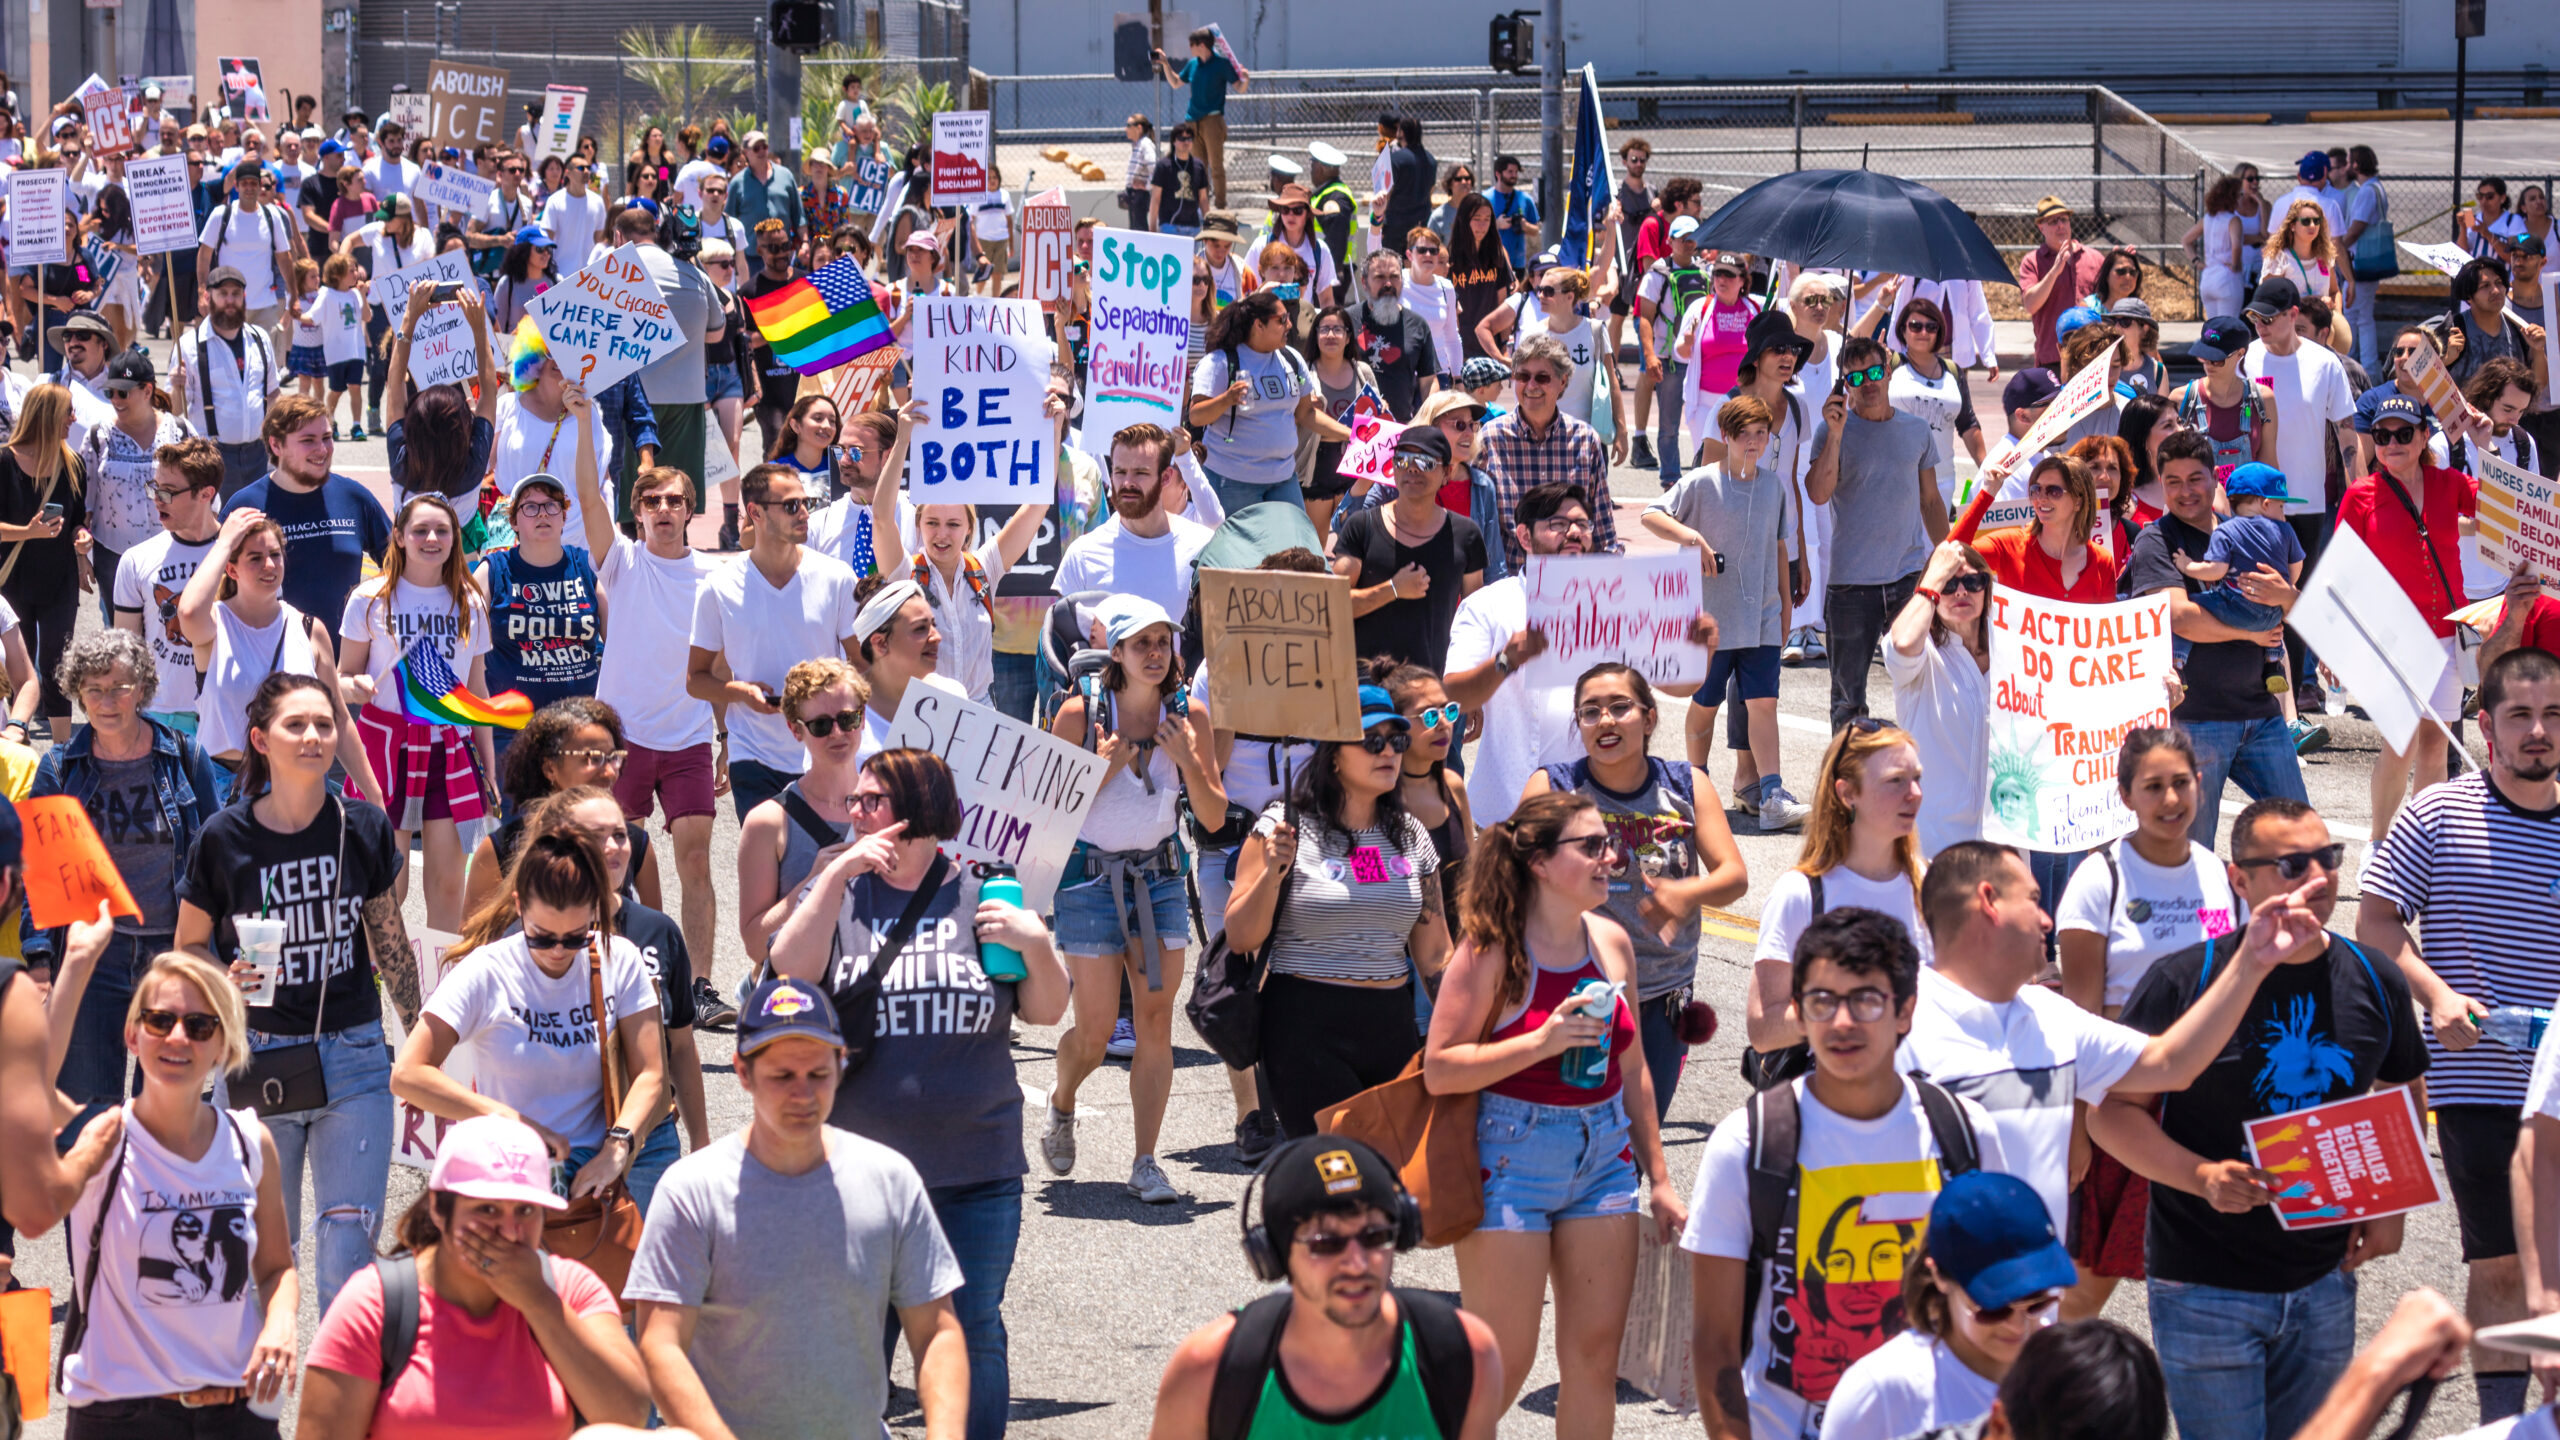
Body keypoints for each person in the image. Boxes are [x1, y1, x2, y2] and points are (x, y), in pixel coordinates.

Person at [2088, 797, 2427, 1440]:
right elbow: (2111, 1114)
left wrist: (2391, 1206)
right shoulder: (2188, 979)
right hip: (2202, 1285)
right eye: (2292, 865)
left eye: (2328, 859)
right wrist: (2201, 1176)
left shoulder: (2374, 975)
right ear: (2240, 880)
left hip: (2324, 1280)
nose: (2318, 879)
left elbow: (2403, 1083)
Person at [766, 748, 1069, 1440]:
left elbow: (1046, 1010)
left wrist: (1037, 944)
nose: (857, 811)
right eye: (856, 801)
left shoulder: (986, 894)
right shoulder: (843, 893)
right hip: (860, 1176)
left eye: (872, 801)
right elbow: (790, 969)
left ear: (919, 808)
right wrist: (838, 869)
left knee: (972, 1330)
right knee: (858, 1341)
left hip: (978, 1170)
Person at [1687, 907, 2008, 1440]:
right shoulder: (1747, 1144)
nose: (1842, 1022)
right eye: (1822, 1000)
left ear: (1906, 1010)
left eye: (1866, 1000)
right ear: (1799, 1010)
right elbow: (1715, 1342)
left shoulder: (1966, 1134)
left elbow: (1999, 1305)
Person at [1418, 790, 1682, 1433]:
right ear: (1538, 862)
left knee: (1594, 1362)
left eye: (1608, 844)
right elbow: (1441, 1067)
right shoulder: (1489, 950)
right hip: (1511, 1154)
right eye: (1591, 846)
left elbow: (1633, 1067)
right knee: (1502, 1364)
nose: (1609, 857)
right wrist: (1539, 1042)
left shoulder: (1614, 942)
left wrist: (1663, 1178)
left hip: (1603, 1160)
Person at [629, 972, 969, 1440]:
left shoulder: (889, 1179)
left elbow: (937, 1331)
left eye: (818, 1074)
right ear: (743, 1072)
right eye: (783, 1076)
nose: (803, 1095)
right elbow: (659, 1343)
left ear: (842, 1066)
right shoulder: (691, 1190)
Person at [2357, 644, 2560, 1425]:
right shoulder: (2437, 811)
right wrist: (2439, 997)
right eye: (2520, 716)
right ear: (2488, 726)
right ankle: (2503, 1420)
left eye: (2551, 716)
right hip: (2479, 1080)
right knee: (2503, 1265)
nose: (2538, 731)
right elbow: (2376, 922)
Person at [174, 673, 409, 1310]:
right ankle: (253, 1408)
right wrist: (220, 977)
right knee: (257, 1259)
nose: (313, 736)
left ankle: (340, 1403)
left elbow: (390, 942)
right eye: (296, 725)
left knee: (348, 1252)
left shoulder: (361, 826)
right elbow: (187, 947)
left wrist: (422, 1044)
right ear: (261, 738)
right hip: (257, 1057)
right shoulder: (223, 838)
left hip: (356, 1056)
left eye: (325, 724)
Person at [49, 952, 298, 1440]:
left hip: (235, 1413)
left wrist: (282, 1322)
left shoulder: (249, 1144)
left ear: (223, 1044)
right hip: (122, 1417)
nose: (177, 1038)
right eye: (159, 1020)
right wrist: (76, 961)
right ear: (132, 1034)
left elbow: (276, 1267)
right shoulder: (103, 1141)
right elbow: (27, 1083)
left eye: (200, 1025)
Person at [295, 1113, 648, 1438]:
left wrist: (539, 1301)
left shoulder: (571, 1289)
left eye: (526, 1210)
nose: (509, 1231)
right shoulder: (374, 1304)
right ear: (438, 1208)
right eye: (487, 1209)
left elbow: (628, 1414)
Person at [394, 823, 674, 1223]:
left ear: (595, 909)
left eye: (575, 937)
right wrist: (510, 1120)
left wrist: (617, 1148)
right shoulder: (487, 970)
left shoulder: (620, 958)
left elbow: (651, 1071)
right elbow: (407, 1073)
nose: (558, 951)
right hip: (515, 1173)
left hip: (602, 1170)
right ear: (519, 906)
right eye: (541, 938)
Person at [1146, 1134, 1505, 1440]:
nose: (1357, 1263)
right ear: (1275, 1255)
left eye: (1375, 1236)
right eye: (1326, 1243)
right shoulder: (1209, 1370)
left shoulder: (1464, 1353)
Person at [1042, 596, 1222, 1202]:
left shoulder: (1188, 712)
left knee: (1153, 1022)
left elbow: (1215, 814)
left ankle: (1146, 1161)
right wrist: (1106, 765)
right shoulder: (1078, 712)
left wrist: (1190, 762)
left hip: (1162, 878)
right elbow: (1047, 818)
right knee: (1093, 1035)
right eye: (1140, 643)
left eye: (1163, 642)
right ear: (1114, 653)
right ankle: (1062, 1099)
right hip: (1090, 881)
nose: (1155, 653)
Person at [1221, 685, 1452, 1138]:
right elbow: (1240, 937)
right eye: (1371, 741)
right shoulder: (1282, 827)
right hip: (1307, 1027)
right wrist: (1272, 873)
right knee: (1339, 1179)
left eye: (1397, 741)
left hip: (1391, 1025)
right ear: (1332, 756)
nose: (1388, 751)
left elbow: (1436, 955)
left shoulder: (1410, 835)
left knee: (1390, 1186)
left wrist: (1473, 1027)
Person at [1522, 662, 1744, 1115]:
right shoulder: (1553, 786)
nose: (1605, 720)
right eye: (1590, 712)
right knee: (1574, 1131)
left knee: (1640, 1143)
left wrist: (1688, 893)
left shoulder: (1686, 784)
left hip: (1663, 997)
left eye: (1620, 707)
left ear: (1648, 718)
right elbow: (1510, 880)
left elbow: (1733, 876)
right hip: (1576, 994)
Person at [27, 629, 227, 1108]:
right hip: (96, 956)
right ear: (77, 694)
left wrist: (228, 951)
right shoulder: (59, 769)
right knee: (87, 1113)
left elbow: (218, 860)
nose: (107, 701)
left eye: (120, 687)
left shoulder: (185, 756)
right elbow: (42, 875)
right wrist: (40, 963)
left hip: (173, 953)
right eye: (93, 690)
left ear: (142, 688)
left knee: (163, 1110)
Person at [2123, 430, 2308, 846]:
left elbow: (2292, 604)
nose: (2185, 491)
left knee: (2301, 839)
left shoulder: (2246, 529)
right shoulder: (2156, 540)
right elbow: (2181, 618)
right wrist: (2255, 631)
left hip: (2261, 715)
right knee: (2192, 852)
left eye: (2195, 478)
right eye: (2173, 481)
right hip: (2196, 721)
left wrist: (2287, 597)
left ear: (2215, 479)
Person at [335, 494, 496, 932]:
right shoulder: (369, 599)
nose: (432, 538)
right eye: (420, 530)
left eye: (442, 530)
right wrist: (358, 686)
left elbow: (477, 691)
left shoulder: (470, 601)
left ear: (455, 539)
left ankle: (440, 994)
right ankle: (371, 985)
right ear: (399, 537)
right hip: (386, 748)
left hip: (451, 749)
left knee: (449, 888)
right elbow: (341, 678)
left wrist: (491, 773)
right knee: (389, 885)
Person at [1648, 395, 1808, 830]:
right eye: (1744, 434)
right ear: (1726, 436)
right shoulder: (1701, 482)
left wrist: (1784, 607)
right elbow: (1651, 515)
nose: (1753, 442)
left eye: (1762, 433)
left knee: (1764, 703)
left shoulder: (1773, 486)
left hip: (1761, 617)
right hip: (1711, 621)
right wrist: (1692, 537)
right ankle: (1695, 787)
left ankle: (1772, 792)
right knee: (1705, 703)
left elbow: (1780, 548)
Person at [1818, 1173, 2078, 1440]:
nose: (2018, 1324)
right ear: (1940, 1277)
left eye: (2038, 1301)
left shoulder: (2066, 1374)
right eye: (1992, 1307)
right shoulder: (1880, 1391)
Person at [684, 461, 864, 820]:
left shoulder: (837, 578)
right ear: (756, 513)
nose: (803, 514)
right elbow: (696, 680)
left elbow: (862, 666)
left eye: (805, 503)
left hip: (825, 750)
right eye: (790, 505)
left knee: (824, 866)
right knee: (770, 867)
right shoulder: (719, 587)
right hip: (753, 756)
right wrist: (742, 694)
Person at [2337, 392, 2470, 834]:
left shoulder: (2449, 483)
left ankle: (2424, 843)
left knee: (2436, 743)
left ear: (2424, 436)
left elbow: (2501, 506)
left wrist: (2482, 445)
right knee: (2401, 741)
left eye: (2403, 433)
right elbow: (2341, 571)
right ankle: (2378, 840)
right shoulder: (2361, 495)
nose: (2392, 443)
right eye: (2382, 434)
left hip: (2448, 631)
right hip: (2393, 636)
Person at [176, 509, 377, 798]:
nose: (269, 565)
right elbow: (188, 610)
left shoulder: (309, 629)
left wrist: (375, 797)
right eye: (255, 558)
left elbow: (340, 719)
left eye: (275, 554)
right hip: (227, 789)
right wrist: (223, 543)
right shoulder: (214, 625)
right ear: (231, 569)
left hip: (300, 785)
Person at [1807, 336, 1945, 728]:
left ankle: (1918, 771)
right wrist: (1834, 434)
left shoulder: (1916, 430)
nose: (1868, 383)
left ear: (1887, 371)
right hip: (1851, 585)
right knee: (1848, 700)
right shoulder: (1830, 432)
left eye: (1874, 372)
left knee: (1921, 684)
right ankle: (1845, 780)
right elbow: (1818, 493)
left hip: (1908, 580)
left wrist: (1951, 554)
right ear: (1843, 385)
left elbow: (1931, 502)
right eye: (1856, 377)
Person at [1445, 482, 1599, 827]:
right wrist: (1506, 661)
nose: (1573, 532)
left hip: (1588, 814)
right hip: (1503, 811)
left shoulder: (1615, 606)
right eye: (1558, 524)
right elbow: (1453, 694)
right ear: (1525, 538)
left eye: (1583, 524)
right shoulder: (1488, 605)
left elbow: (1675, 686)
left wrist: (1700, 650)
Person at [462, 698, 660, 917]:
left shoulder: (634, 845)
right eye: (593, 758)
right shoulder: (500, 849)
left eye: (613, 758)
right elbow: (472, 941)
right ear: (550, 768)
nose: (610, 772)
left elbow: (657, 938)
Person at [219, 395, 394, 641]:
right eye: (308, 441)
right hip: (274, 665)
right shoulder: (244, 506)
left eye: (326, 437)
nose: (322, 449)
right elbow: (215, 589)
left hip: (346, 665)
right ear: (276, 445)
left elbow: (400, 565)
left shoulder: (354, 497)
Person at [1333, 427, 1485, 673]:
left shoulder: (1466, 535)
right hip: (1369, 691)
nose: (1412, 468)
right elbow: (1332, 602)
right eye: (1403, 460)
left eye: (1425, 461)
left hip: (1433, 691)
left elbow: (1476, 618)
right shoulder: (1362, 526)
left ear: (1447, 472)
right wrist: (1393, 589)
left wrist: (1471, 681)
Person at [1191, 290, 1349, 514]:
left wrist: (1350, 434)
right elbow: (1196, 415)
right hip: (1233, 480)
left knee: (1294, 546)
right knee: (1240, 548)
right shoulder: (1221, 362)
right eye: (1282, 320)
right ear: (1259, 325)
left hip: (1284, 478)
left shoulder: (1291, 359)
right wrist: (1226, 400)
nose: (1290, 326)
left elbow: (1307, 414)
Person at [1883, 542, 1992, 858]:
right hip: (1934, 848)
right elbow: (1902, 643)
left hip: (2002, 848)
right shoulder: (1923, 655)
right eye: (1948, 585)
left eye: (1973, 582)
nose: (1961, 593)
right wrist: (1933, 578)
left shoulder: (2010, 649)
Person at [475, 474, 600, 742]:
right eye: (530, 507)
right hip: (512, 732)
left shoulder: (585, 566)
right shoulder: (493, 570)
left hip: (581, 727)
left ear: (564, 517)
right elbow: (458, 635)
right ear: (513, 522)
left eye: (552, 505)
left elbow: (620, 643)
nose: (542, 513)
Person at [113, 437, 225, 735]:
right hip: (160, 718)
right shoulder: (136, 560)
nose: (157, 498)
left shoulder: (246, 555)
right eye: (155, 488)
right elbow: (126, 651)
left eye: (169, 492)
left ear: (206, 494)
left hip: (229, 716)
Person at [1055, 424, 1218, 619]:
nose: (1127, 483)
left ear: (1165, 477)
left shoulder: (1202, 548)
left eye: (1140, 473)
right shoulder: (1082, 555)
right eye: (1120, 472)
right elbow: (1063, 638)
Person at [0, 383, 90, 732]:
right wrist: (28, 532)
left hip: (58, 580)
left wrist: (82, 538)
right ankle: (15, 737)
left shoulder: (73, 464)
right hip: (12, 581)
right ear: (49, 415)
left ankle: (62, 750)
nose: (74, 419)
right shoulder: (5, 461)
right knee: (15, 667)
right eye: (68, 412)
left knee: (58, 665)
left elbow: (78, 519)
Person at [1477, 334, 1618, 549]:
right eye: (1523, 377)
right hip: (1511, 575)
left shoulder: (1584, 440)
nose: (1531, 385)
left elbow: (1601, 525)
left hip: (1570, 575)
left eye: (1542, 378)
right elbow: (1478, 522)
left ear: (1562, 381)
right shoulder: (1491, 438)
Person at [80, 353, 189, 630]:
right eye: (110, 392)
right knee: (122, 635)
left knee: (168, 629)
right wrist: (81, 556)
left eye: (123, 392)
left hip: (170, 552)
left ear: (147, 390)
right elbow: (84, 503)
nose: (115, 399)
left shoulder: (180, 431)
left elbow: (203, 495)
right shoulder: (98, 436)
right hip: (113, 556)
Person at [2017, 197, 2105, 368]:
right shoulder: (2032, 262)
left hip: (2092, 356)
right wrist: (2055, 271)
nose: (2060, 225)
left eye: (2064, 219)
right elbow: (2030, 305)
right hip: (2053, 358)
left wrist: (2121, 264)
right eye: (2053, 221)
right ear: (2041, 227)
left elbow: (2109, 301)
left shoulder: (2094, 258)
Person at [2262, 199, 2345, 312]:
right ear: (2292, 226)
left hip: (2322, 324)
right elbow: (2269, 299)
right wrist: (2309, 302)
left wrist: (2337, 312)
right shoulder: (2278, 258)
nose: (2312, 225)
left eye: (2316, 221)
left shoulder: (2324, 256)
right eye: (2306, 221)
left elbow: (2334, 292)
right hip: (2290, 326)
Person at [1150, 124, 1209, 236]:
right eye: (1182, 139)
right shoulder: (1163, 165)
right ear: (1174, 141)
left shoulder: (1198, 166)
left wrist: (1209, 225)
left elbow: (1203, 199)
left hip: (1193, 226)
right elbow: (1155, 198)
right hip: (1170, 225)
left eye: (1189, 139)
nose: (1186, 142)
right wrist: (1152, 228)